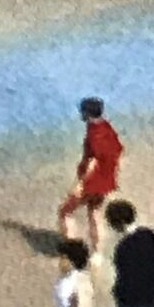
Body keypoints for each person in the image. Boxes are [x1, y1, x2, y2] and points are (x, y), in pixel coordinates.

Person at [59, 98, 124, 255]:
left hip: (92, 182)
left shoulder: (94, 133)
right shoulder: (107, 127)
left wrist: (80, 183)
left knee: (65, 212)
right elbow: (118, 149)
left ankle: (72, 249)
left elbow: (93, 161)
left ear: (87, 113)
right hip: (106, 180)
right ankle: (97, 251)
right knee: (94, 212)